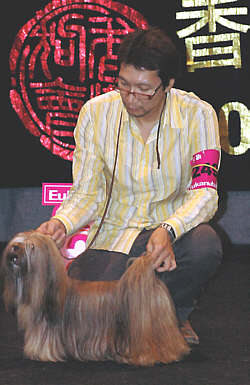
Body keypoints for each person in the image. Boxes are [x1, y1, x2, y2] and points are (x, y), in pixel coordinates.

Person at [37, 27, 223, 345]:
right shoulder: (95, 114)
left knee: (205, 246)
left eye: (144, 89)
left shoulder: (199, 115)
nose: (131, 97)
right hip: (112, 237)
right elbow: (87, 191)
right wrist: (62, 222)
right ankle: (139, 322)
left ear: (168, 85)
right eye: (123, 85)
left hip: (169, 237)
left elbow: (205, 192)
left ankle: (172, 316)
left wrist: (169, 229)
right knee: (87, 304)